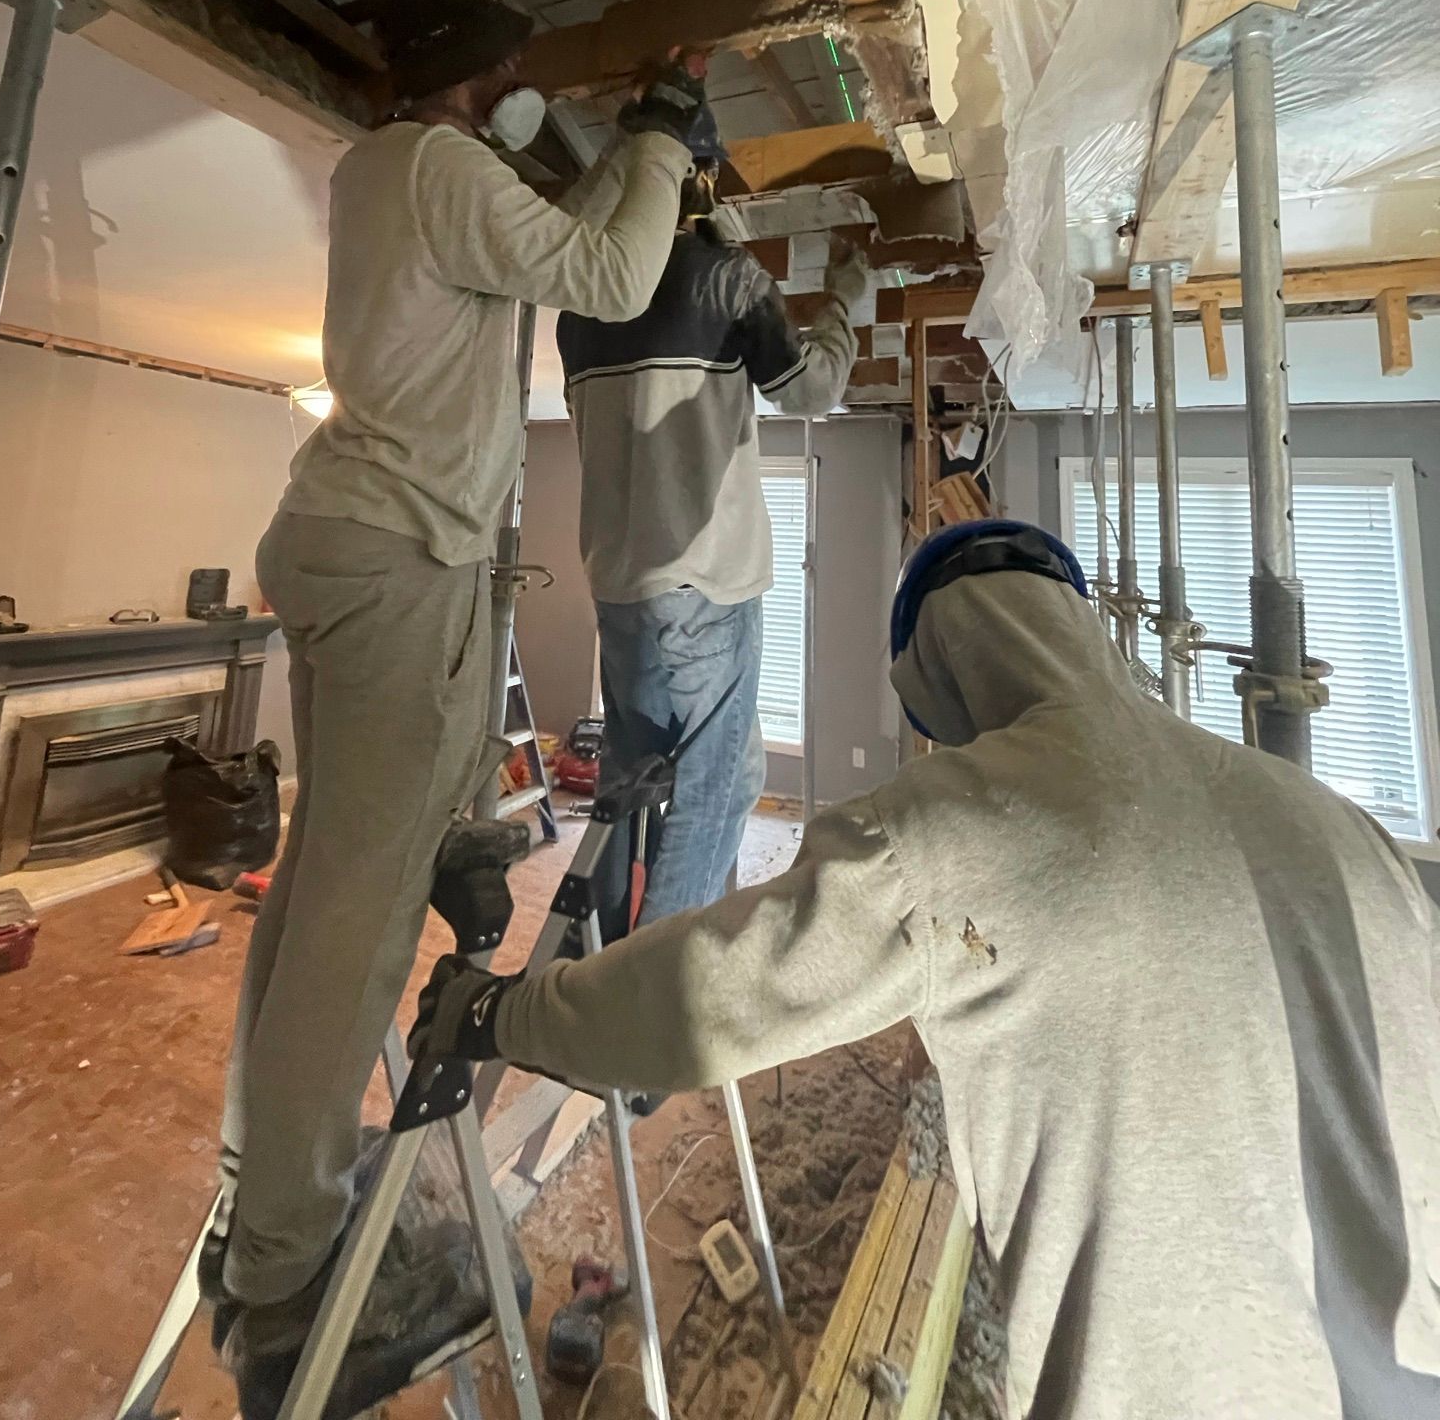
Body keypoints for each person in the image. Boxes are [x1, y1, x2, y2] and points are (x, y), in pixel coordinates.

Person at [414, 518, 1440, 1420]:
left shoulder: (961, 830)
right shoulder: (1347, 826)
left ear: (937, 678)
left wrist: (505, 1010)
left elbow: (705, 994)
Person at [214, 0, 707, 1338]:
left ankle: (262, 1187)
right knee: (357, 930)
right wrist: (665, 130)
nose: (516, 95)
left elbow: (564, 239)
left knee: (320, 891)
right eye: (508, 76)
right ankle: (287, 1257)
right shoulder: (443, 169)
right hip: (403, 562)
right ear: (482, 81)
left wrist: (633, 154)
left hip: (329, 538)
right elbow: (612, 266)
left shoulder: (387, 172)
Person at [555, 115, 866, 927]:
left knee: (636, 778)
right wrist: (844, 305)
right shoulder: (725, 278)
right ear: (703, 184)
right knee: (719, 786)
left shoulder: (575, 307)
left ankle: (604, 951)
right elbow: (807, 391)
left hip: (621, 587)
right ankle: (653, 998)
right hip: (702, 584)